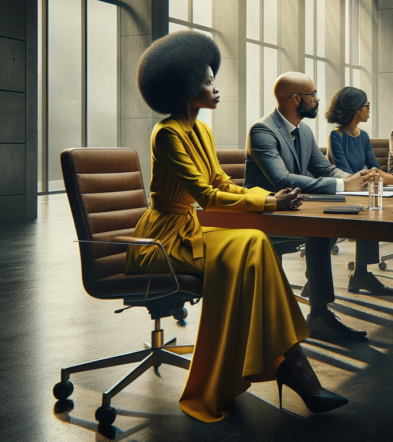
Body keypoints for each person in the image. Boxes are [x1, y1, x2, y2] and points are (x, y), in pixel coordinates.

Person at [127, 31, 347, 423]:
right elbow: (206, 195)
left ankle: (291, 365)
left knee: (255, 243)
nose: (215, 87)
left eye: (213, 79)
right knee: (249, 245)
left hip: (191, 228)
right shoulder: (166, 134)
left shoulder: (203, 130)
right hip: (162, 237)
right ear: (183, 87)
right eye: (207, 81)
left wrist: (265, 199)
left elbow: (221, 184)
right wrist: (266, 200)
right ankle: (291, 368)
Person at [244, 72, 374, 340]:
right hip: (267, 214)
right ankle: (319, 315)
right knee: (320, 229)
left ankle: (316, 296)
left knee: (341, 214)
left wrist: (350, 180)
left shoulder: (303, 130)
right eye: (312, 94)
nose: (317, 100)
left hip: (297, 209)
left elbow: (323, 167)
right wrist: (341, 186)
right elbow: (283, 179)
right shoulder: (262, 131)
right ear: (295, 99)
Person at [326, 86, 393, 295]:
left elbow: (374, 169)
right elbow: (350, 176)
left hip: (364, 193)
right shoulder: (336, 136)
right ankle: (340, 276)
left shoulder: (364, 136)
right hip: (342, 196)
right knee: (369, 211)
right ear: (355, 109)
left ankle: (361, 275)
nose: (369, 109)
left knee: (373, 211)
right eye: (366, 106)